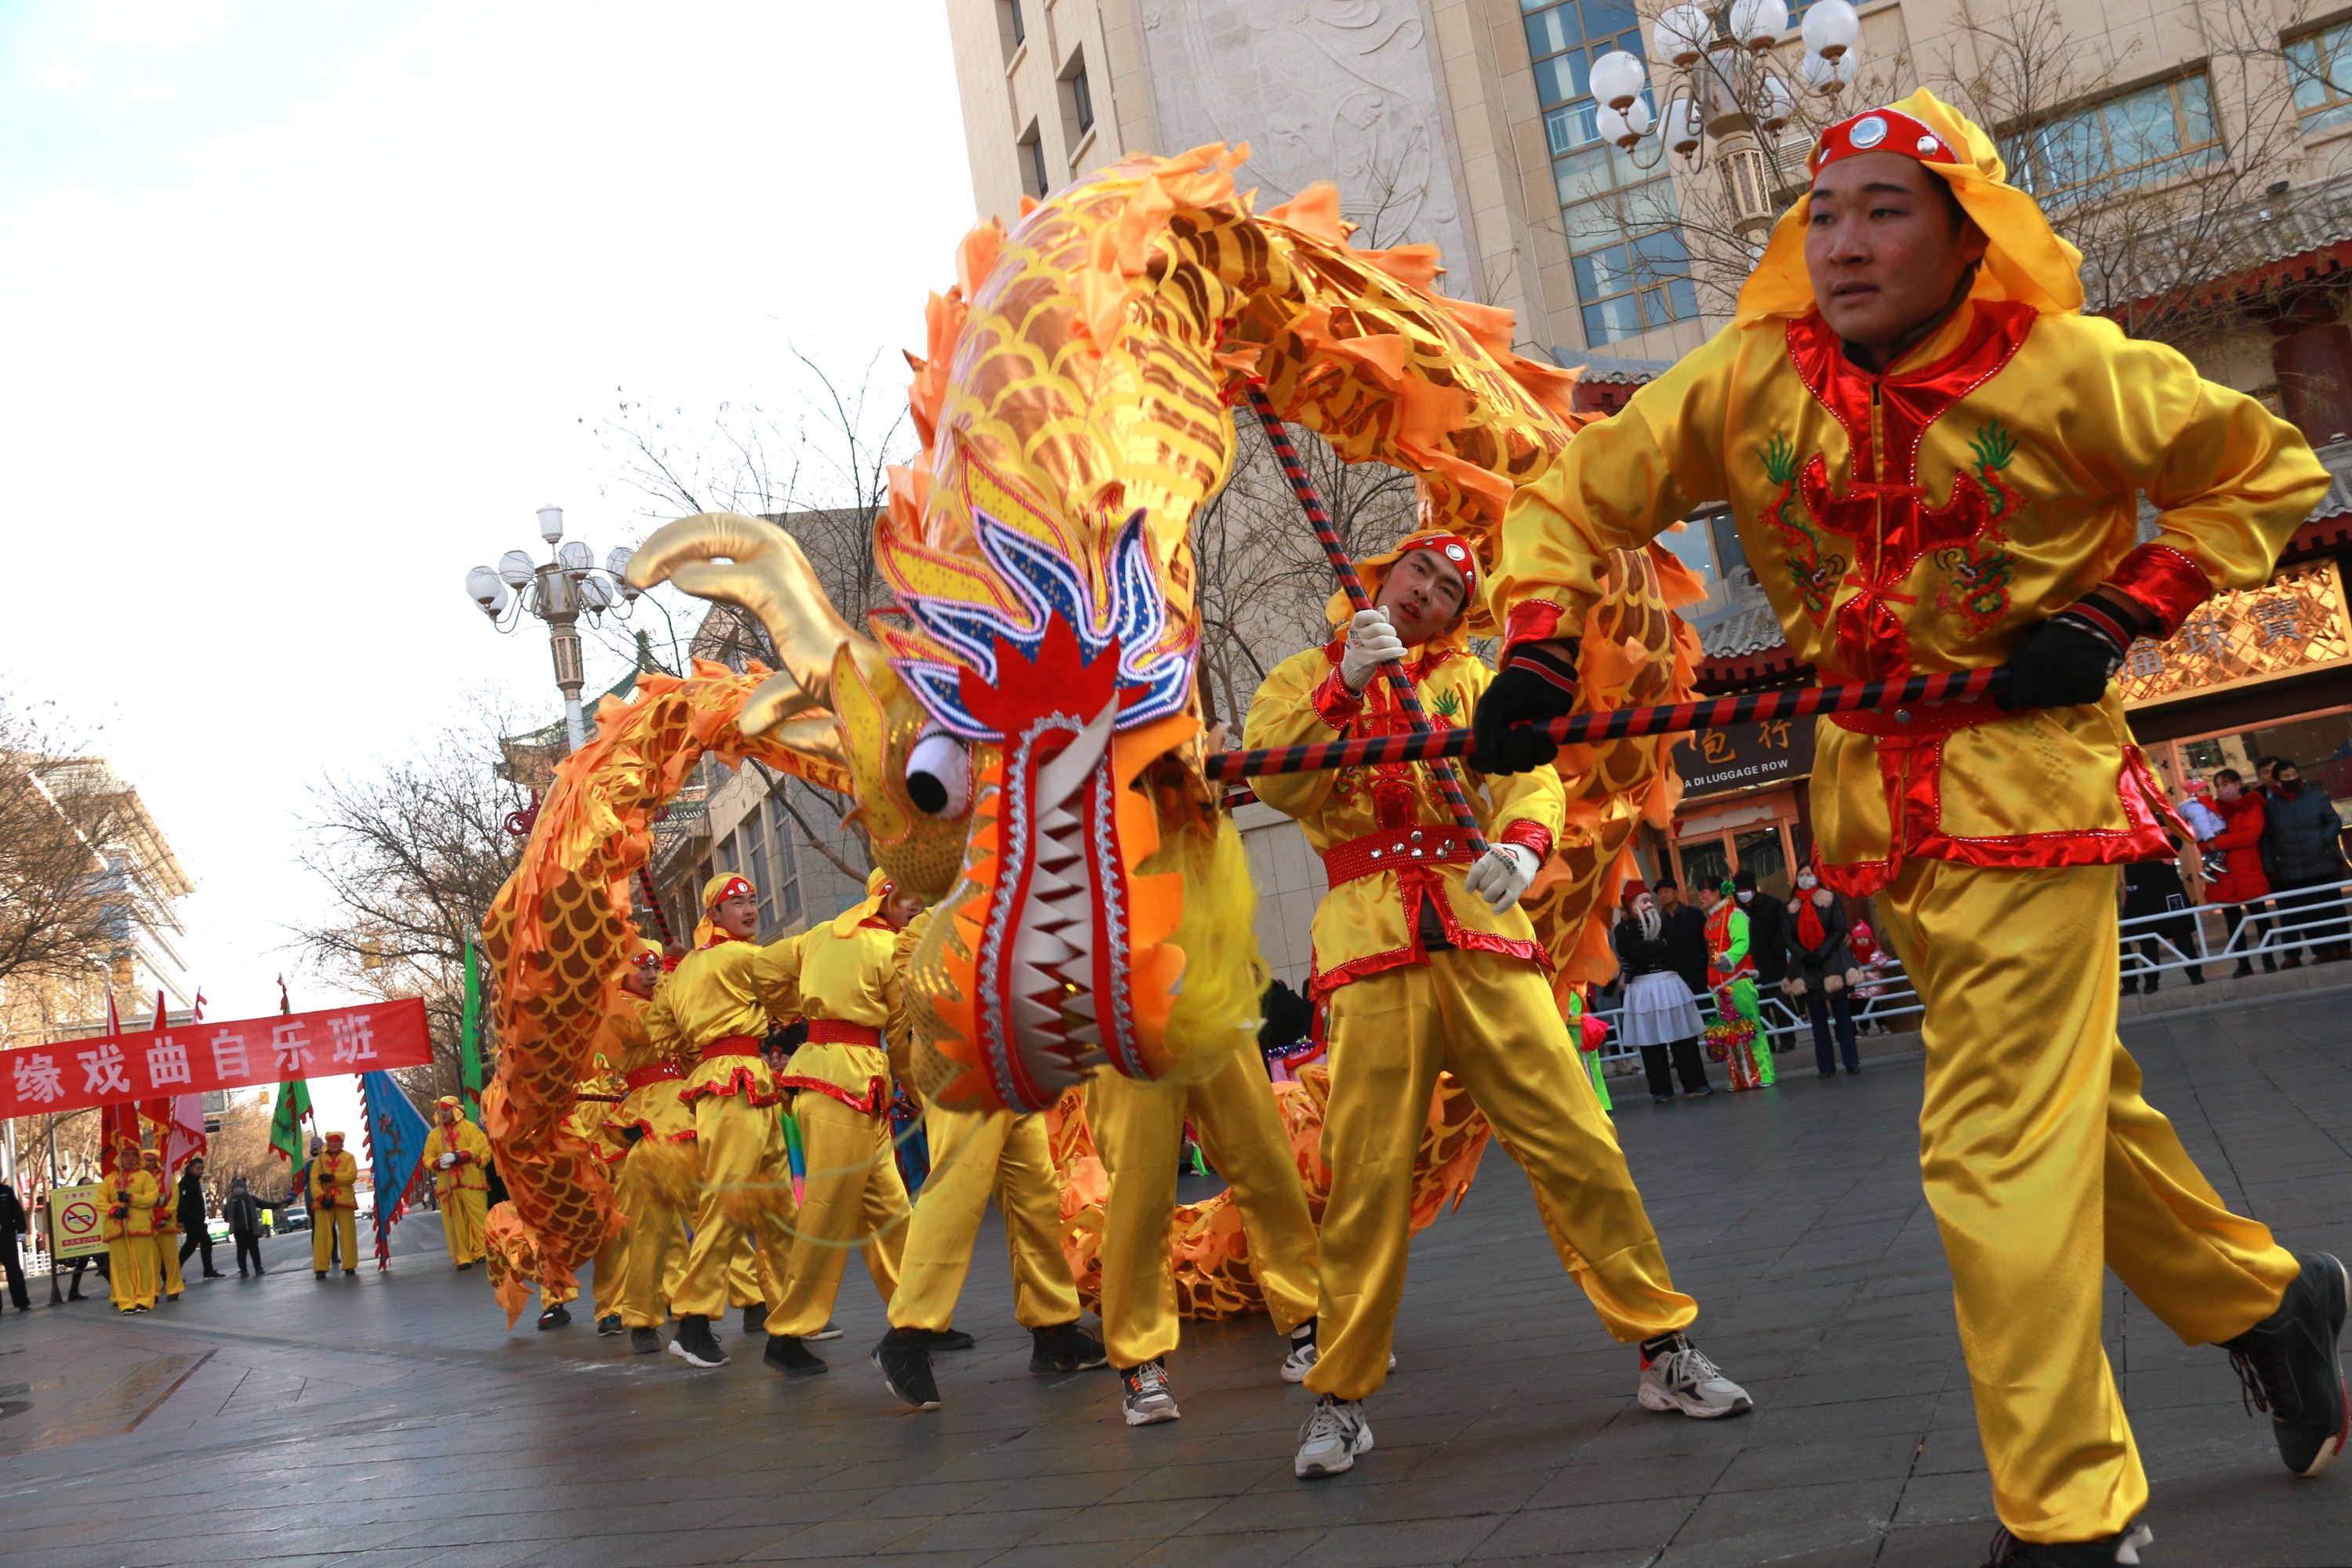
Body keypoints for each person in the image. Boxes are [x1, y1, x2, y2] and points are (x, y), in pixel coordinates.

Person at [1476, 87, 2344, 1560]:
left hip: (2034, 792)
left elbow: (2266, 469)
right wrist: (1541, 647)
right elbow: (1568, 496)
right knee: (2073, 1106)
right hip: (1872, 805)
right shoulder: (1747, 384)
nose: (1846, 242)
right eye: (1823, 214)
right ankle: (2264, 1298)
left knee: (1992, 1138)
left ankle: (2071, 1512)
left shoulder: (2070, 369)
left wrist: (2121, 610)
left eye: (1887, 210)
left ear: (1965, 237)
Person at [1247, 526, 1749, 1483]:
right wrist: (1342, 686)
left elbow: (1530, 770)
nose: (1427, 591)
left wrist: (1523, 841)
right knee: (1366, 1179)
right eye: (1416, 571)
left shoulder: (1476, 685)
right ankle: (1341, 1394)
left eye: (1448, 586)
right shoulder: (1305, 672)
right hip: (1372, 950)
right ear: (1382, 575)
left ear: (1461, 612)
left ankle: (1662, 1347)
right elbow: (1283, 779)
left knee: (1578, 1139)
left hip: (1481, 931)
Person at [641, 873, 807, 1370]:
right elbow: (795, 986)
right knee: (727, 1204)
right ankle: (692, 1322)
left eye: (754, 899)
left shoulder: (686, 970)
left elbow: (656, 1031)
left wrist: (674, 973)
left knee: (776, 1203)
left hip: (739, 1080)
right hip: (735, 1081)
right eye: (737, 903)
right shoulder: (743, 957)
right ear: (712, 914)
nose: (751, 908)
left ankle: (789, 1314)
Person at [603, 941, 694, 1354]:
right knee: (652, 1227)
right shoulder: (618, 1007)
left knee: (716, 1215)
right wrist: (678, 974)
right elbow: (647, 1030)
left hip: (686, 1111)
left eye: (657, 967)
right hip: (654, 1120)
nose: (653, 974)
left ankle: (753, 1299)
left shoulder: (663, 997)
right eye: (644, 967)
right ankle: (640, 1318)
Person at [1612, 884, 1712, 1103]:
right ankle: (1660, 1088)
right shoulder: (1624, 930)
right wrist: (1659, 946)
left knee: (1683, 1035)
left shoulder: (1665, 923)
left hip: (1668, 983)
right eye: (1644, 901)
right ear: (1632, 905)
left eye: (1650, 900)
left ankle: (1695, 1083)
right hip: (1641, 987)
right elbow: (1631, 951)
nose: (1649, 905)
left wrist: (1651, 950)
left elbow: (1676, 949)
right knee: (1650, 1041)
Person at [2259, 757, 2350, 966]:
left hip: (2322, 861)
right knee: (2307, 912)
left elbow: (2334, 820)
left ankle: (2344, 947)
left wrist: (2324, 839)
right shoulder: (2271, 806)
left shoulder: (2315, 796)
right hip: (2292, 869)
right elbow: (2267, 840)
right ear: (2277, 781)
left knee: (2333, 907)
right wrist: (2271, 868)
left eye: (2294, 775)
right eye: (2286, 777)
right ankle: (2322, 950)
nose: (2291, 779)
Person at [1784, 869, 1860, 1076]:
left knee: (1842, 1015)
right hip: (1806, 966)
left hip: (1833, 963)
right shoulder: (1791, 906)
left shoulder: (1830, 899)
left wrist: (1821, 953)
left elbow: (1839, 928)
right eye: (1801, 874)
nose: (1805, 877)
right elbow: (1787, 936)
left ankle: (1851, 1061)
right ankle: (1826, 1066)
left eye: (1809, 873)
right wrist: (1805, 955)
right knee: (1817, 1020)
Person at [1697, 880, 1770, 1088]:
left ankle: (1763, 1074)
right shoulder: (1711, 919)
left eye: (1703, 892)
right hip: (1718, 983)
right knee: (1729, 1033)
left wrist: (1729, 957)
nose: (1701, 897)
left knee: (1750, 1026)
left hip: (1737, 978)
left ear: (1716, 892)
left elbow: (1741, 942)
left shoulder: (1734, 914)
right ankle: (1739, 1076)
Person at [2205, 769, 2275, 978]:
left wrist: (2216, 843)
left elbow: (2249, 835)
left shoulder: (2251, 805)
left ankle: (2268, 959)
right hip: (2224, 873)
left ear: (2238, 784)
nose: (2221, 789)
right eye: (2218, 786)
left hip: (2247, 870)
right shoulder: (2215, 811)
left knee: (2260, 917)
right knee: (2233, 922)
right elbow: (2202, 839)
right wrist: (2208, 844)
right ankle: (2243, 963)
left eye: (2225, 784)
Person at [422, 1094, 492, 1271]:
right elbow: (427, 1159)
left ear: (454, 1110)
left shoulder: (470, 1128)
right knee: (455, 1224)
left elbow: (479, 1149)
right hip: (447, 1185)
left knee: (479, 1219)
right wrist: (437, 1163)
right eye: (440, 1111)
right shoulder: (434, 1135)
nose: (443, 1114)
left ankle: (483, 1251)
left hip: (471, 1181)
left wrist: (458, 1156)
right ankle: (462, 1258)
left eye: (446, 1110)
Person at [2121, 849, 2203, 993]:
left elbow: (2177, 841)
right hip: (2140, 892)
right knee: (2147, 941)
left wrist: (2166, 843)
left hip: (2168, 888)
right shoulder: (2125, 829)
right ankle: (2151, 981)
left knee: (2181, 934)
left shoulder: (2163, 827)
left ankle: (2195, 974)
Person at [100, 1135, 160, 1314]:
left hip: (140, 1227)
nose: (130, 1158)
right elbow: (100, 1202)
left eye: (134, 1154)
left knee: (144, 1265)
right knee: (121, 1267)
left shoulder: (145, 1176)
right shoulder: (109, 1180)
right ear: (119, 1157)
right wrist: (114, 1211)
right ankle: (126, 1302)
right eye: (126, 1155)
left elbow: (152, 1199)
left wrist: (131, 1199)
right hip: (116, 1229)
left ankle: (144, 1300)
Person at [1731, 867, 1790, 1034]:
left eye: (1746, 889)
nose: (1743, 893)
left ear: (1753, 888)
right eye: (1739, 890)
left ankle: (1787, 1039)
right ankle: (1767, 1042)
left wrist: (1774, 956)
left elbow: (1781, 934)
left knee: (1781, 1005)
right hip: (1749, 969)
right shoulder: (1736, 912)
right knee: (1759, 1010)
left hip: (1774, 967)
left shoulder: (1772, 905)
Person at [310, 1132, 360, 1279]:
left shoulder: (348, 1157)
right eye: (330, 1142)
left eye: (336, 1142)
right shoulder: (319, 1160)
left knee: (348, 1235)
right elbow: (314, 1181)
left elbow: (351, 1176)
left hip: (344, 1200)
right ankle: (321, 1267)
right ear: (327, 1143)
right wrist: (320, 1197)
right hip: (323, 1203)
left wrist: (332, 1178)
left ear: (341, 1143)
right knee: (321, 1236)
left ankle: (349, 1265)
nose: (333, 1144)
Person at [1652, 875, 1711, 1000]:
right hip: (1674, 979)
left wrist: (1704, 961)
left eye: (1666, 891)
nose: (1663, 895)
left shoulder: (1694, 914)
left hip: (1701, 975)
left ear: (1677, 893)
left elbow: (1707, 941)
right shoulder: (1657, 922)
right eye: (1660, 893)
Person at [147, 1149, 185, 1301]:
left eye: (151, 1160)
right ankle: (153, 1291)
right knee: (152, 1261)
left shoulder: (166, 1177)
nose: (148, 1163)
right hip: (148, 1225)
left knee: (171, 1259)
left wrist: (168, 1213)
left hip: (166, 1224)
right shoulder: (140, 1178)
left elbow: (173, 1196)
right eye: (145, 1160)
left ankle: (174, 1288)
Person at [176, 1155, 223, 1279]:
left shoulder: (194, 1182)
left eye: (202, 1169)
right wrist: (181, 1220)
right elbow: (182, 1203)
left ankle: (169, 1273)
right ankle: (208, 1270)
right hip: (192, 1220)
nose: (201, 1171)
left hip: (196, 1219)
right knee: (206, 1241)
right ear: (191, 1168)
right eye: (198, 1168)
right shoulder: (185, 1183)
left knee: (190, 1247)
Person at [0, 1175, 31, 1312]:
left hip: (6, 1235)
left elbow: (17, 1212)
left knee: (14, 1270)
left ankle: (22, 1302)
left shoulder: (6, 1191)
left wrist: (21, 1230)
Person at [225, 1176, 266, 1278]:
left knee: (254, 1249)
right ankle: (243, 1270)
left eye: (239, 1187)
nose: (237, 1189)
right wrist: (234, 1222)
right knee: (241, 1251)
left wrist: (279, 1205)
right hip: (239, 1231)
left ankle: (258, 1267)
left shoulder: (250, 1198)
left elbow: (262, 1204)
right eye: (235, 1187)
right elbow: (226, 1216)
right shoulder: (230, 1201)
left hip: (252, 1229)